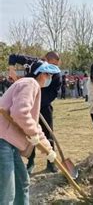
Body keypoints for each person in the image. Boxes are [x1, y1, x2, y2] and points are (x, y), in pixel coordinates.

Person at [0, 60, 59, 204]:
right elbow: (20, 114)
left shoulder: (29, 86)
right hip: (3, 140)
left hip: (10, 144)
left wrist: (49, 150)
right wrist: (32, 133)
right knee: (7, 192)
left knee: (22, 183)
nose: (49, 78)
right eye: (48, 75)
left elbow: (34, 125)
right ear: (41, 74)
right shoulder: (30, 84)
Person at [8, 51, 61, 174]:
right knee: (29, 134)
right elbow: (13, 56)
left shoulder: (57, 74)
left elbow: (54, 92)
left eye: (56, 65)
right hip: (27, 103)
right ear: (45, 59)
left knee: (47, 133)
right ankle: (31, 162)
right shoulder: (32, 62)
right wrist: (11, 69)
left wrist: (39, 102)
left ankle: (51, 162)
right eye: (51, 64)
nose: (53, 68)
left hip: (44, 105)